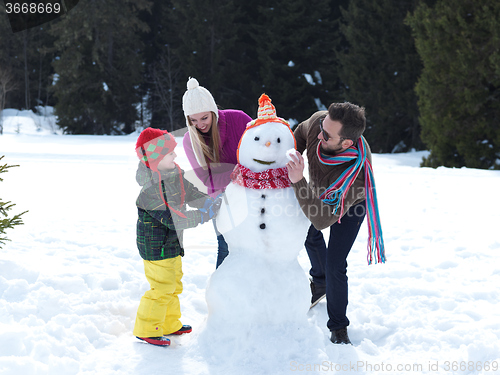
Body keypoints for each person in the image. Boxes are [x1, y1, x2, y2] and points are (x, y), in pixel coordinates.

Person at [286, 102, 385, 345]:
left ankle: (339, 327)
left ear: (346, 143)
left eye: (327, 135)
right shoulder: (319, 123)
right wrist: (294, 153)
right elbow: (300, 131)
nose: (319, 134)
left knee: (335, 263)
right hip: (319, 192)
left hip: (350, 205)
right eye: (322, 126)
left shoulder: (358, 176)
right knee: (307, 236)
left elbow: (321, 220)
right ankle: (320, 284)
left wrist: (298, 181)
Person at [133, 127, 221, 347]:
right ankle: (147, 328)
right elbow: (174, 219)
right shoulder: (150, 190)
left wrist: (207, 202)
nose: (176, 155)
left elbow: (190, 192)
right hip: (155, 247)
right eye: (170, 153)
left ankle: (169, 323)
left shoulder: (174, 174)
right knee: (161, 287)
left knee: (174, 285)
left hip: (171, 244)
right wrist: (202, 216)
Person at [182, 77, 252, 268]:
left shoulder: (238, 119)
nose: (200, 124)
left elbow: (261, 147)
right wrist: (232, 174)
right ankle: (221, 295)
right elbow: (206, 179)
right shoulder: (190, 140)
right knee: (226, 247)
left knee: (254, 246)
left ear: (213, 111)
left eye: (204, 118)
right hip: (221, 200)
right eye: (193, 120)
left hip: (252, 193)